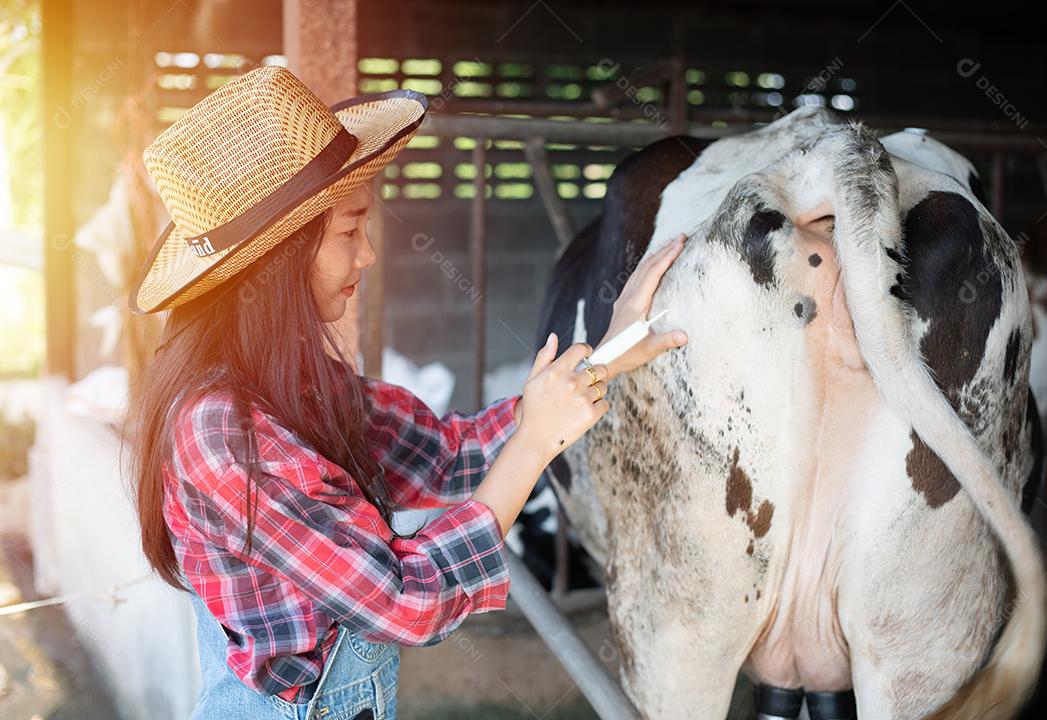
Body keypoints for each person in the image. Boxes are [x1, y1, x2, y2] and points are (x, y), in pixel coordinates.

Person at [121, 65, 688, 720]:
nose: (366, 256)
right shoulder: (222, 432)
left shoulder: (297, 382)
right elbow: (406, 602)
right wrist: (533, 448)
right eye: (348, 231)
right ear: (277, 262)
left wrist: (612, 353)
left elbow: (447, 455)